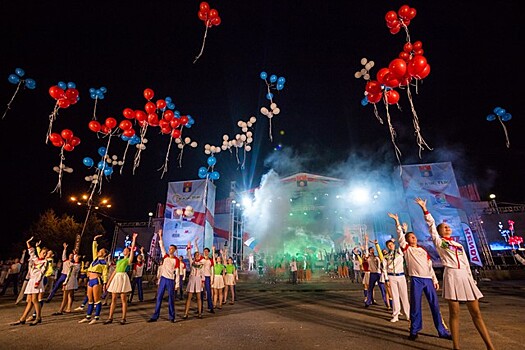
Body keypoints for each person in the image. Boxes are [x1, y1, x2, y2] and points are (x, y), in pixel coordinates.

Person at [416, 197, 494, 350]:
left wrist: (472, 281)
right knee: (455, 313)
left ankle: (490, 346)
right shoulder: (440, 243)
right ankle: (456, 346)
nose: (447, 228)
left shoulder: (458, 244)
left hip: (465, 277)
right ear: (439, 232)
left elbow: (465, 264)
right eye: (444, 227)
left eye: (448, 227)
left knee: (476, 313)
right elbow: (431, 226)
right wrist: (424, 209)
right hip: (451, 276)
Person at [392, 210, 451, 341]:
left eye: (414, 237)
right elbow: (400, 237)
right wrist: (397, 222)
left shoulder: (422, 250)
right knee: (415, 306)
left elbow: (429, 266)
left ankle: (442, 331)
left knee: (435, 306)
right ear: (407, 240)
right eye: (411, 237)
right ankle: (414, 330)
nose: (414, 238)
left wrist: (434, 280)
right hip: (416, 280)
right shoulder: (407, 250)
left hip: (428, 280)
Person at [10, 237, 49, 326]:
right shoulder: (35, 259)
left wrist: (37, 282)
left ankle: (38, 317)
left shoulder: (45, 262)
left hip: (37, 282)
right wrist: (28, 242)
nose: (44, 254)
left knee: (35, 300)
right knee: (29, 300)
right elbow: (31, 251)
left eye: (46, 253)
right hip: (31, 281)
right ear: (40, 252)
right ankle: (22, 319)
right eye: (43, 252)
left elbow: (41, 273)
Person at [104, 232, 137, 325]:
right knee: (113, 299)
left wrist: (134, 240)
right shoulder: (119, 260)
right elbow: (115, 271)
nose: (124, 251)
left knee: (123, 299)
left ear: (129, 252)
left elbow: (132, 253)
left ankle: (123, 318)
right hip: (117, 277)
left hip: (123, 277)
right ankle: (110, 317)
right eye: (124, 250)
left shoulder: (128, 260)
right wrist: (109, 282)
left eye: (126, 250)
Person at [148, 229, 180, 323]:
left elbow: (177, 272)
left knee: (171, 299)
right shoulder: (165, 256)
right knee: (159, 297)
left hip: (170, 280)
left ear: (174, 250)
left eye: (171, 249)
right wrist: (160, 235)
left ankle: (172, 317)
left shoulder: (176, 260)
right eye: (169, 248)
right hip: (163, 279)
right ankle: (155, 316)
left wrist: (177, 284)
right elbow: (161, 246)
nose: (169, 250)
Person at [78, 235, 109, 325]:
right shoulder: (95, 259)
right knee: (90, 299)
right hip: (90, 280)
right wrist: (94, 240)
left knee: (97, 299)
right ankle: (88, 317)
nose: (98, 251)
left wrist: (105, 283)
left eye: (101, 251)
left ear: (104, 254)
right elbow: (94, 249)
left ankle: (96, 317)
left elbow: (105, 274)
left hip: (96, 280)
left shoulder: (104, 263)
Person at [182, 238, 204, 319]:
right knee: (189, 297)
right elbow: (188, 254)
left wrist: (203, 282)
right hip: (192, 279)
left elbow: (202, 273)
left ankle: (199, 313)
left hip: (198, 279)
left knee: (199, 297)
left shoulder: (202, 263)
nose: (197, 255)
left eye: (198, 254)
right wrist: (188, 246)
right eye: (196, 254)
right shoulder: (192, 262)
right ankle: (186, 313)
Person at [200, 247, 215, 314]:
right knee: (200, 293)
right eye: (204, 251)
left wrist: (212, 279)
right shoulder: (201, 259)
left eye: (206, 251)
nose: (205, 252)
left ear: (208, 252)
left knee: (209, 292)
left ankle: (210, 307)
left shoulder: (210, 260)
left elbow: (212, 270)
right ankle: (200, 308)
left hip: (208, 277)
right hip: (201, 277)